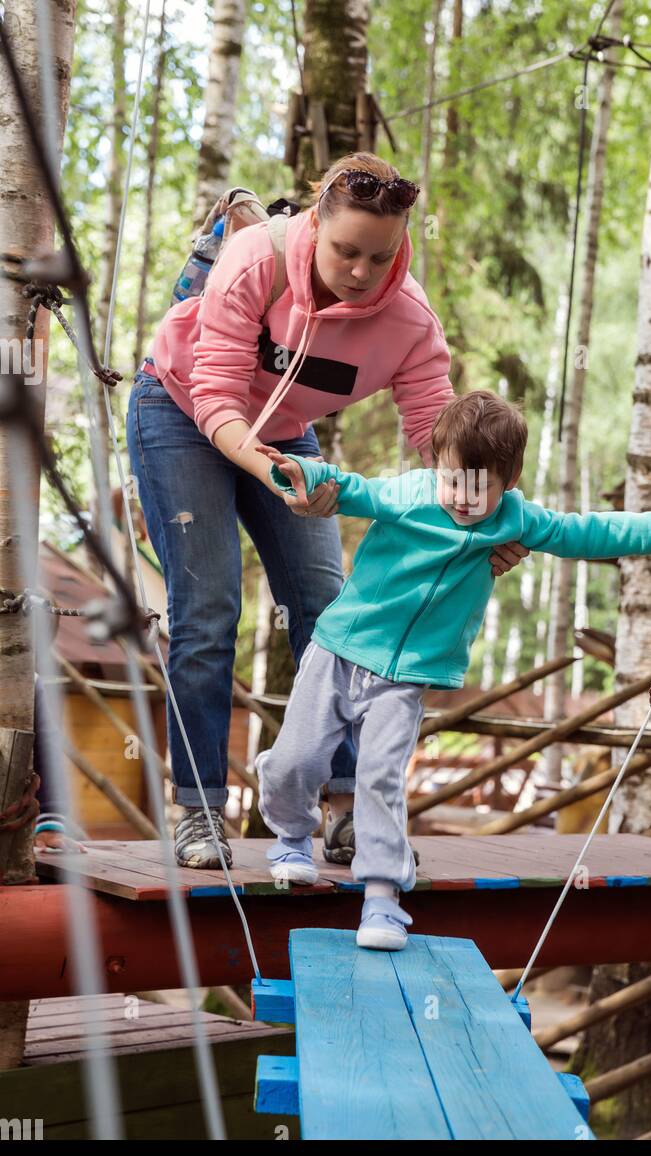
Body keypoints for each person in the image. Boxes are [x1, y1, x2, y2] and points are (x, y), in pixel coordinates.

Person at [126, 153, 529, 869]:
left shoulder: (408, 322)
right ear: (316, 223)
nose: (362, 271)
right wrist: (278, 472)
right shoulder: (257, 260)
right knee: (210, 607)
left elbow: (443, 442)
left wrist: (492, 520)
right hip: (182, 411)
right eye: (346, 250)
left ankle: (346, 808)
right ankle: (198, 810)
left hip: (285, 437)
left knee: (331, 606)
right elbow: (217, 395)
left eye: (382, 255)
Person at [254, 389, 651, 950]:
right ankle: (292, 837)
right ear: (435, 466)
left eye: (481, 486)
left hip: (406, 677)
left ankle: (381, 898)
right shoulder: (410, 494)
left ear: (510, 479)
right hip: (339, 649)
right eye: (452, 481)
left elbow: (584, 530)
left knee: (380, 777)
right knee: (297, 761)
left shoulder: (515, 521)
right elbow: (348, 487)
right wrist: (298, 470)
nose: (463, 498)